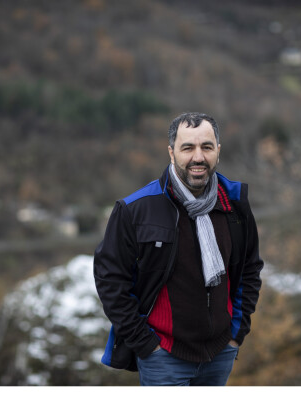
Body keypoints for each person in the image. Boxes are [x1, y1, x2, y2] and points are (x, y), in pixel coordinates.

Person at [93, 112, 263, 386]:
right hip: (164, 357)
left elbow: (249, 269)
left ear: (218, 151)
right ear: (171, 153)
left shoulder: (235, 204)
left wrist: (236, 332)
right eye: (188, 148)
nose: (198, 157)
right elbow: (110, 280)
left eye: (206, 147)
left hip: (220, 353)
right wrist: (146, 344)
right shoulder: (136, 209)